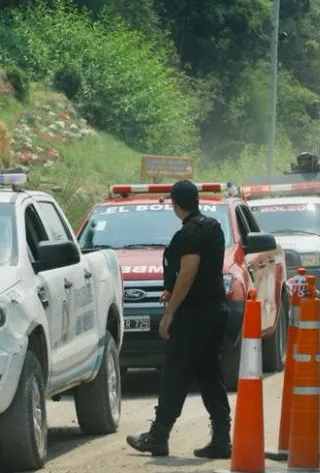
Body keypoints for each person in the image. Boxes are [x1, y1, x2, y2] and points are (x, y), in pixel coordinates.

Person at [126, 180, 232, 459]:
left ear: (175, 205)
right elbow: (201, 272)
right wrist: (171, 290)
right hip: (215, 310)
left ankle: (158, 436)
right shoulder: (213, 226)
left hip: (194, 314)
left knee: (175, 373)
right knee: (209, 374)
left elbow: (188, 273)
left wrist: (170, 311)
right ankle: (222, 438)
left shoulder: (188, 234)